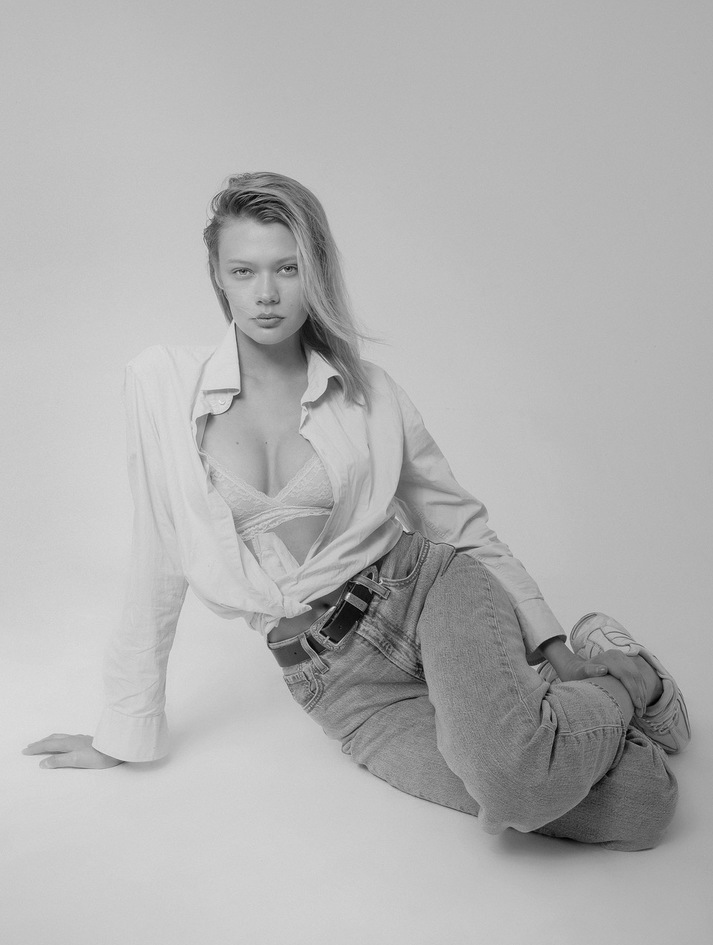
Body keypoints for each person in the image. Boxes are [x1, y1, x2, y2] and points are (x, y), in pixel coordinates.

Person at [23, 172, 689, 850]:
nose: (265, 293)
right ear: (217, 276)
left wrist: (558, 651)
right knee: (639, 804)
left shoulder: (370, 393)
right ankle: (554, 707)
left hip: (426, 594)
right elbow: (157, 558)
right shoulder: (163, 385)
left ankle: (628, 681)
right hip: (342, 685)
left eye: (287, 268)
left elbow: (458, 525)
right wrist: (122, 731)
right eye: (243, 270)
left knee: (512, 781)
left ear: (314, 272)